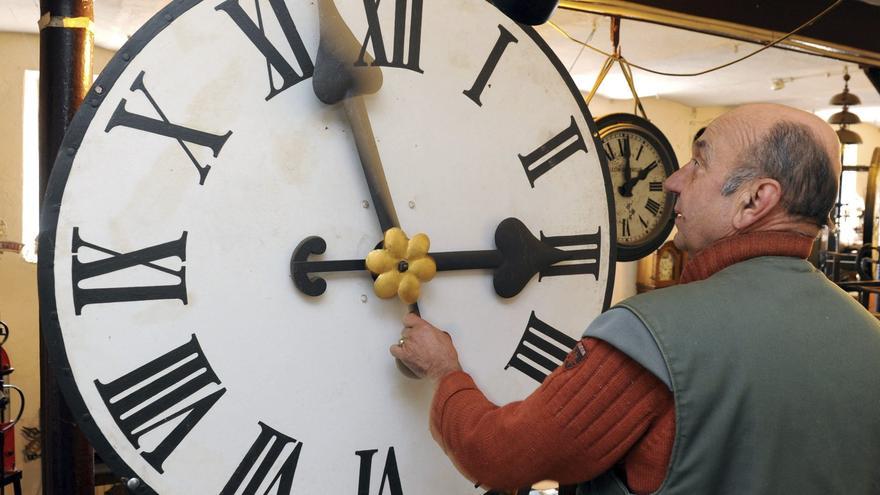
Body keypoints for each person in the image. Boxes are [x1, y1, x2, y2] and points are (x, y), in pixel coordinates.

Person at [390, 103, 880, 494]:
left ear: (755, 200)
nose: (672, 180)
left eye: (700, 161)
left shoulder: (656, 338)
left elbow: (500, 456)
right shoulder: (868, 337)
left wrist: (445, 371)